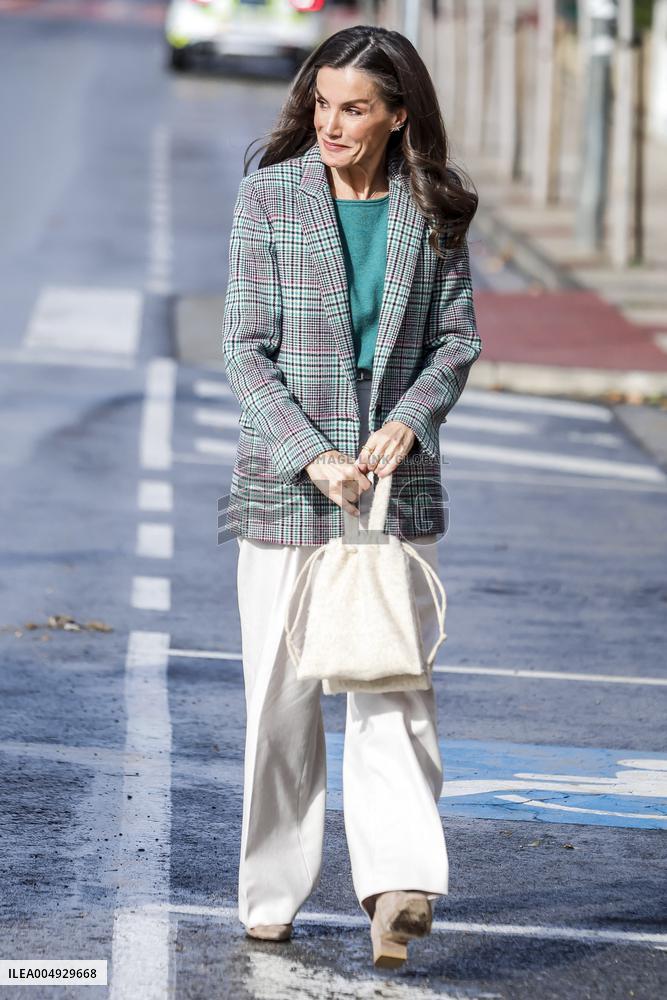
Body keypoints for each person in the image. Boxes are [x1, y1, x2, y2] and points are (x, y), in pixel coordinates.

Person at [221, 24, 481, 969]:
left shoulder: (432, 205)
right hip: (288, 487)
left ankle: (398, 888)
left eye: (355, 109)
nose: (331, 124)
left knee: (392, 684)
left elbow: (455, 339)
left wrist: (409, 419)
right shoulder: (269, 197)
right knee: (280, 702)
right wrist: (311, 455)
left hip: (391, 489)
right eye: (322, 104)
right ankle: (271, 893)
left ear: (397, 115)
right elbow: (244, 350)